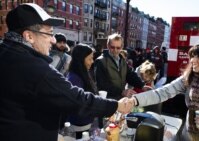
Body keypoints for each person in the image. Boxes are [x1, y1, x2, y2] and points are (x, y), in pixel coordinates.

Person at [0, 3, 132, 141]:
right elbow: (76, 99)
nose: (53, 40)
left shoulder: (6, 54)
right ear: (29, 36)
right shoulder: (34, 68)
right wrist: (116, 105)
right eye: (49, 33)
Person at [94, 33, 145, 100]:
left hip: (120, 99)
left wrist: (142, 86)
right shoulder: (100, 61)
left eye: (118, 48)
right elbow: (102, 85)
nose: (115, 50)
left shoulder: (122, 60)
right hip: (108, 101)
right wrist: (121, 92)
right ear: (108, 46)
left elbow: (130, 75)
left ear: (122, 47)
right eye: (112, 47)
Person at [66, 44, 98, 139]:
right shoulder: (74, 78)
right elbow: (79, 104)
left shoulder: (83, 73)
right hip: (79, 125)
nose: (92, 62)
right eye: (89, 59)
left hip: (85, 123)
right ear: (80, 59)